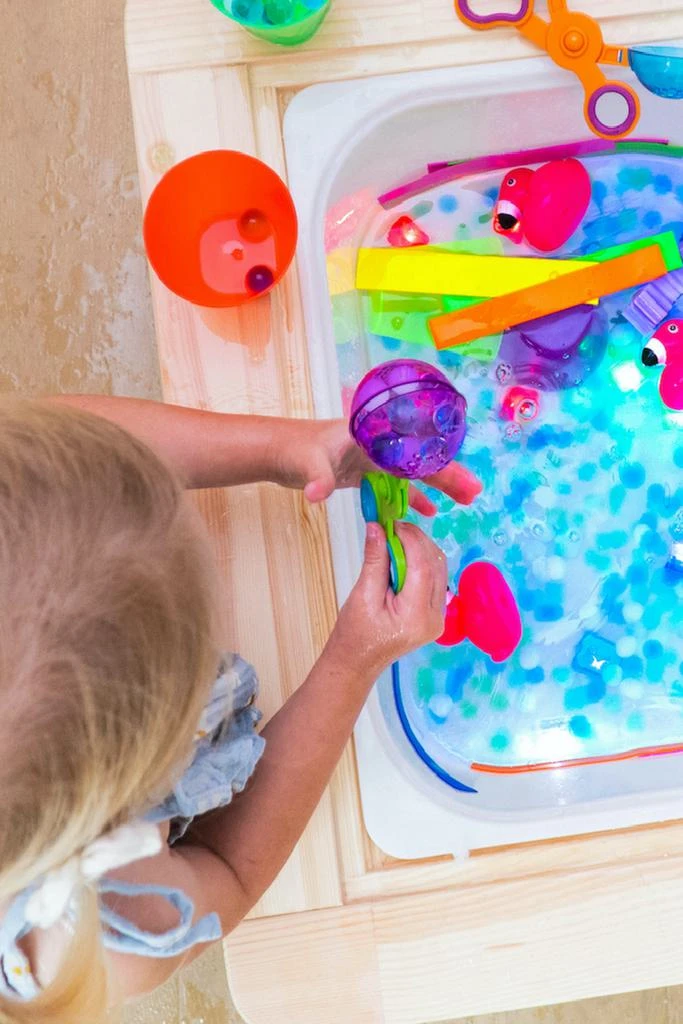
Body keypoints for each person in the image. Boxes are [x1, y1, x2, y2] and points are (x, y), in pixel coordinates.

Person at [0, 396, 480, 1023]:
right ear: (168, 737)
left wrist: (282, 449)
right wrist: (353, 661)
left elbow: (76, 444)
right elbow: (227, 870)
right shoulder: (106, 931)